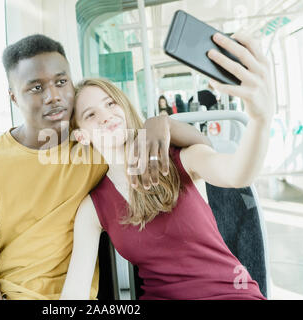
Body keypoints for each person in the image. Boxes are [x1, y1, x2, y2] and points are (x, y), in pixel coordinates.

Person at [0, 34, 212, 300]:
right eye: (36, 88)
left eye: (61, 82)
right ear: (14, 98)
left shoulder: (95, 146)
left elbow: (202, 145)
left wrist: (161, 122)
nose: (53, 96)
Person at [61, 31, 274, 300]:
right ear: (81, 135)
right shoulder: (93, 208)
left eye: (110, 103)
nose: (106, 116)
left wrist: (260, 120)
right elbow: (74, 291)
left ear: (125, 108)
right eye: (91, 115)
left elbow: (238, 173)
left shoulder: (181, 159)